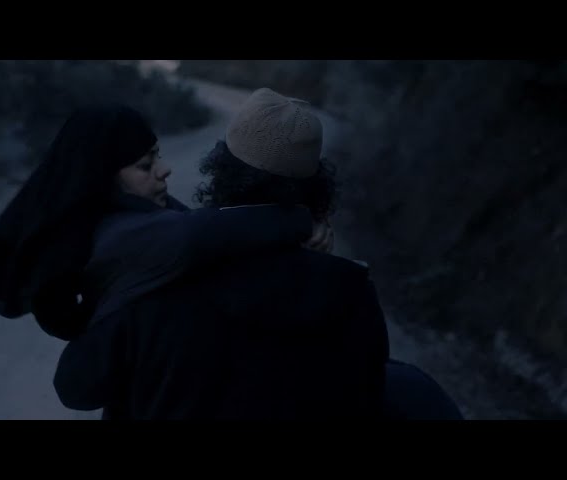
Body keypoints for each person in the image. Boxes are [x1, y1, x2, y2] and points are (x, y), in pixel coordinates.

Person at [52, 89, 391, 419]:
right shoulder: (351, 289)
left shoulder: (162, 272)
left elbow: (76, 387)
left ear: (223, 169)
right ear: (316, 186)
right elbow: (367, 397)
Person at [0, 104, 332, 342]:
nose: (164, 170)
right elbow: (205, 231)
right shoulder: (125, 235)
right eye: (145, 164)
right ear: (103, 178)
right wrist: (298, 221)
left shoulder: (133, 217)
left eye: (158, 156)